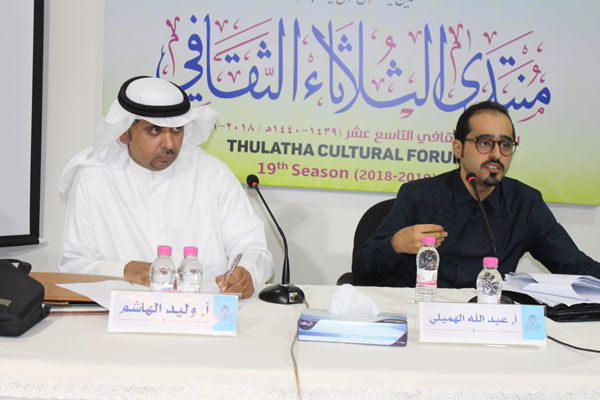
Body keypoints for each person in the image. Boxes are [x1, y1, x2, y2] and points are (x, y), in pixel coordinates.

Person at [58, 76, 273, 298]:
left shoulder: (212, 174)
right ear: (124, 132)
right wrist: (125, 270)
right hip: (124, 311)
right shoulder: (93, 179)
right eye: (154, 130)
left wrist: (247, 272)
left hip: (205, 310)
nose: (169, 144)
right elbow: (73, 266)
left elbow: (253, 248)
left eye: (177, 129)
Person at [353, 101, 600, 287]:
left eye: (505, 145)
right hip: (422, 316)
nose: (496, 154)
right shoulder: (417, 196)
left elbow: (574, 265)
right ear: (458, 148)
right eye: (484, 143)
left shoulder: (524, 204)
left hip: (491, 322)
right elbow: (362, 272)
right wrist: (396, 244)